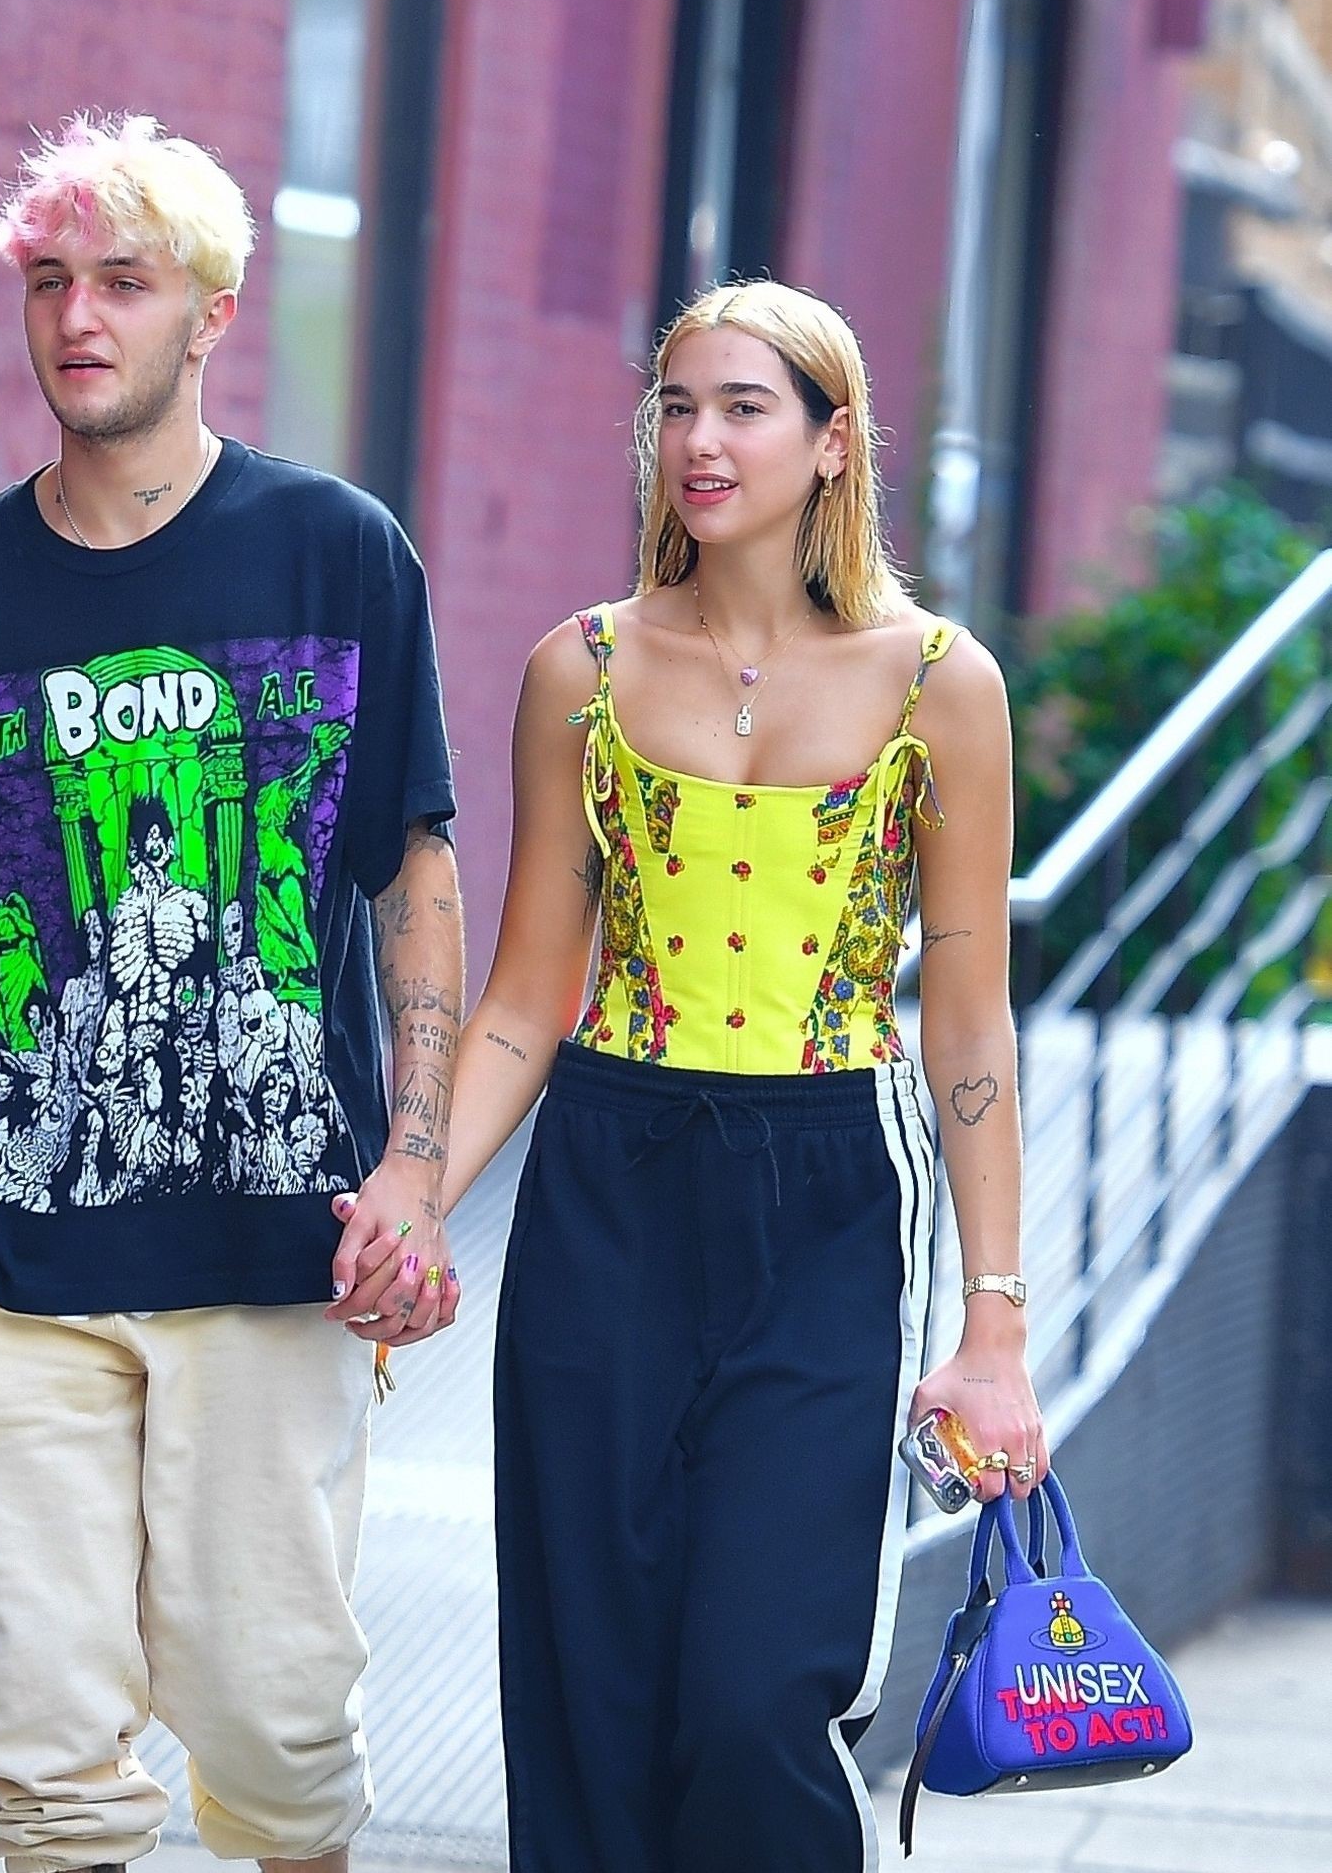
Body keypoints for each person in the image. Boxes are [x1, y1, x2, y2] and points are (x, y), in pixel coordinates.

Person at [0, 112, 463, 1873]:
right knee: (39, 1753)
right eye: (50, 281)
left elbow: (412, 878)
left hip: (273, 1241)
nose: (78, 317)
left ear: (212, 312)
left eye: (124, 282)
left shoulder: (337, 554)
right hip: (25, 1255)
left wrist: (415, 1169)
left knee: (274, 1727)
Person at [434, 279, 1043, 1872]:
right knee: (587, 1674)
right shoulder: (577, 669)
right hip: (607, 1176)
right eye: (676, 407)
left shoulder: (940, 682)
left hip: (829, 1187)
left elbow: (967, 1021)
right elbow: (524, 998)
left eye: (743, 408)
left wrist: (992, 1324)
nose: (698, 441)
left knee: (757, 1690)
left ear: (834, 442)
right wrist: (411, 1196)